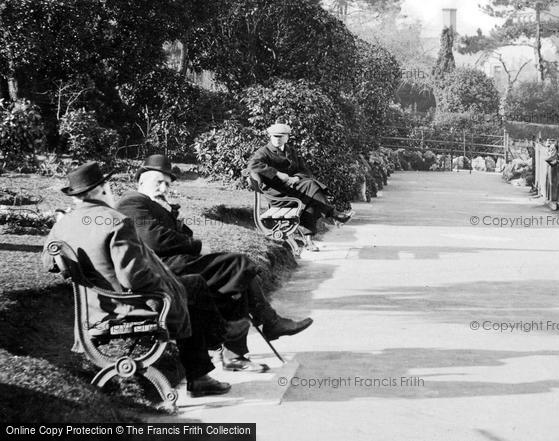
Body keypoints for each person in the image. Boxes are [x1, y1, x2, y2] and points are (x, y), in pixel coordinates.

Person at [42, 161, 249, 397]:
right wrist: (167, 286)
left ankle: (213, 350)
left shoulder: (63, 224)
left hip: (94, 306)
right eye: (107, 187)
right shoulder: (115, 220)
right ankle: (216, 345)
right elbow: (134, 277)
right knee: (191, 287)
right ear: (102, 190)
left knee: (189, 285)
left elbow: (49, 263)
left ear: (76, 196)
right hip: (125, 304)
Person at [115, 154, 313, 372]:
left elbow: (180, 234)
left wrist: (170, 212)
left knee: (237, 280)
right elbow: (155, 239)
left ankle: (239, 354)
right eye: (158, 182)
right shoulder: (132, 202)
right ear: (141, 182)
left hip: (173, 263)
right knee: (239, 264)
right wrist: (196, 246)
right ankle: (267, 324)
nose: (163, 188)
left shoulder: (152, 204)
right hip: (161, 269)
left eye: (167, 183)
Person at [247, 122, 353, 251]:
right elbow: (252, 166)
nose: (277, 139)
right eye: (275, 136)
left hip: (291, 188)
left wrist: (295, 178)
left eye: (281, 136)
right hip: (277, 193)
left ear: (287, 137)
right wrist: (277, 173)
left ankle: (309, 240)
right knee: (311, 186)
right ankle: (334, 215)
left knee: (312, 199)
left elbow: (305, 171)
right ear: (270, 136)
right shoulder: (264, 152)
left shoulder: (290, 151)